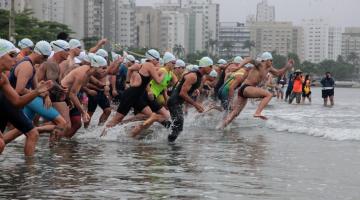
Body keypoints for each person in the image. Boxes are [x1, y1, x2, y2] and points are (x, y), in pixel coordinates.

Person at [0, 39, 53, 156]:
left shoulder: (3, 78)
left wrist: (38, 91)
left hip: (6, 103)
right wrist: (36, 92)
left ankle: (29, 171)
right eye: (11, 55)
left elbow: (17, 101)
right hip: (5, 104)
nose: (15, 59)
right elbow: (19, 90)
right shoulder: (26, 65)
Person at [221, 52, 294, 128]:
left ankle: (221, 126)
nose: (272, 62)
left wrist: (287, 67)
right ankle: (257, 112)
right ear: (265, 60)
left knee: (235, 113)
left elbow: (278, 73)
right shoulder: (260, 64)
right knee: (269, 94)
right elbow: (248, 59)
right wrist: (238, 67)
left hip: (244, 90)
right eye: (271, 60)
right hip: (246, 87)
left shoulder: (269, 68)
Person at [103, 49, 165, 136]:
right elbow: (158, 81)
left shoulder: (143, 65)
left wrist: (127, 83)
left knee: (150, 116)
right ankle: (102, 136)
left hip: (136, 96)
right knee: (117, 118)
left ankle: (131, 132)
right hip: (131, 95)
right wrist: (163, 74)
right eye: (157, 60)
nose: (158, 62)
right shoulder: (149, 65)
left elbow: (130, 69)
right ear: (153, 59)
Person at [166, 57, 213, 142]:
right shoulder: (193, 76)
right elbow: (182, 93)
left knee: (179, 127)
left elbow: (186, 87)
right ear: (204, 66)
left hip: (177, 103)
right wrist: (196, 105)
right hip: (174, 102)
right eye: (210, 66)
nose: (212, 68)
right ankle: (169, 146)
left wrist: (194, 90)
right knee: (178, 124)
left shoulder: (199, 76)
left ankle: (169, 142)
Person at [60, 54, 108, 138]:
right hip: (61, 96)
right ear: (96, 66)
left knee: (77, 124)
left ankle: (64, 142)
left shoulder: (89, 70)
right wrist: (83, 112)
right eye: (103, 68)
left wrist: (104, 86)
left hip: (71, 96)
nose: (105, 70)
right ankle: (54, 142)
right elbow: (72, 94)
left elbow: (95, 82)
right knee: (64, 124)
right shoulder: (82, 74)